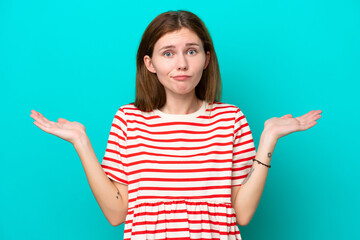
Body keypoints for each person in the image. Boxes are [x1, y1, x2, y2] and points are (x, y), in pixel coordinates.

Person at [30, 10, 322, 240]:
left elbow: (242, 214)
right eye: (168, 53)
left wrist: (269, 138)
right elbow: (117, 212)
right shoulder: (128, 120)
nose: (181, 64)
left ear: (206, 59)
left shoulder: (230, 119)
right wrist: (81, 141)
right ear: (150, 63)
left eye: (192, 51)